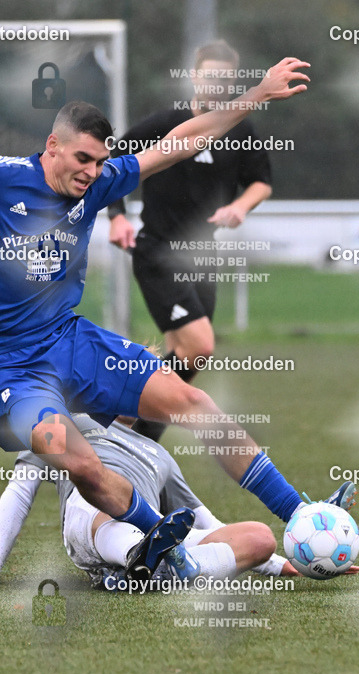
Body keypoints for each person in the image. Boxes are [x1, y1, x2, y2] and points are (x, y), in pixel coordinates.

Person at [0, 57, 352, 580]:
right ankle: (168, 546)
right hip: (6, 369)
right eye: (82, 158)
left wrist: (257, 95)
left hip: (68, 340)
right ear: (52, 146)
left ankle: (300, 514)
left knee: (192, 401)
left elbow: (185, 138)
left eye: (101, 162)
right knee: (78, 460)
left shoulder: (98, 183)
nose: (92, 172)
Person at [0, 415, 359, 588]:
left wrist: (289, 560)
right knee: (105, 498)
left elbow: (204, 523)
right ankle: (141, 557)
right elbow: (20, 489)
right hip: (93, 525)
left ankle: (154, 573)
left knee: (261, 535)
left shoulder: (159, 454)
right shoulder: (68, 421)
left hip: (162, 537)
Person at [107, 40, 273, 442]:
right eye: (210, 75)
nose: (217, 83)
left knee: (185, 357)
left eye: (225, 77)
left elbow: (261, 182)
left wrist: (240, 208)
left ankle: (137, 440)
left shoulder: (241, 129)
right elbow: (113, 165)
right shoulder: (165, 125)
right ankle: (117, 415)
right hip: (157, 253)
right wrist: (116, 217)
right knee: (199, 346)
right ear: (195, 76)